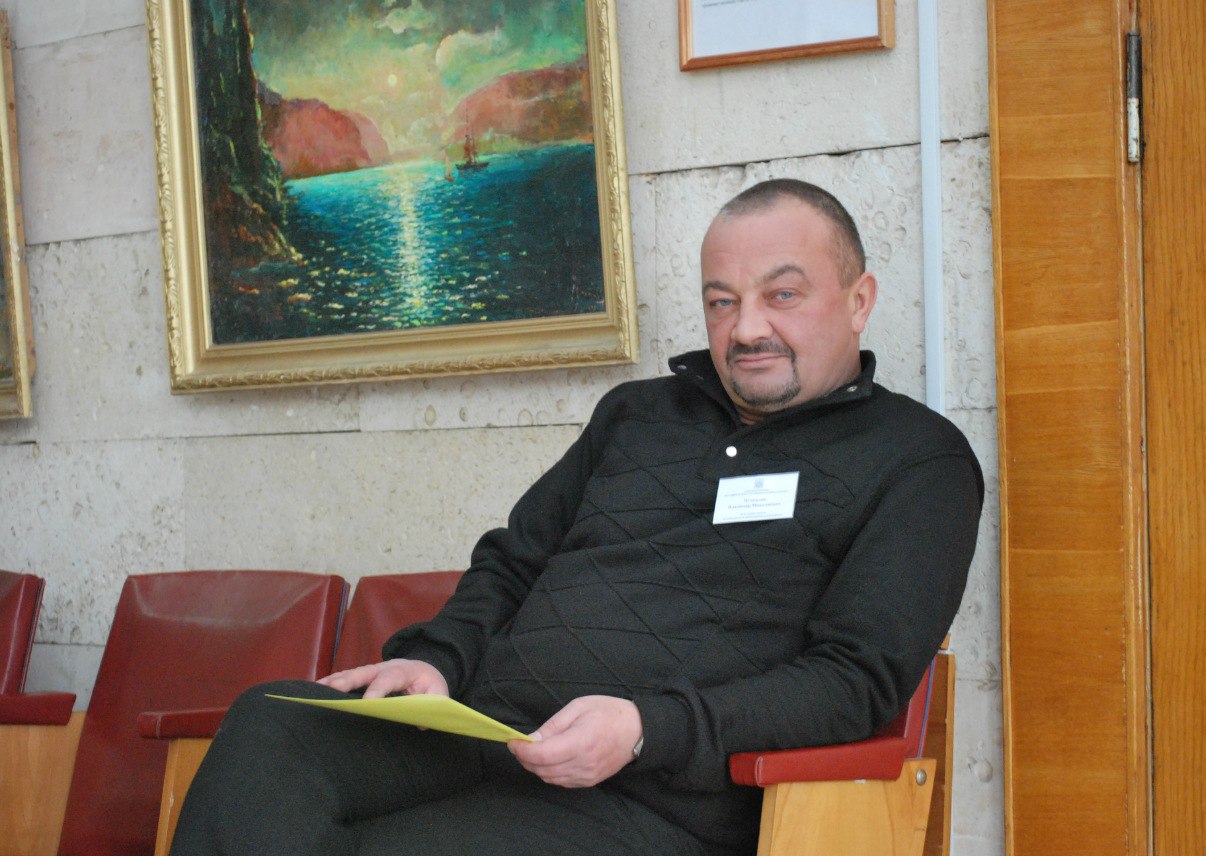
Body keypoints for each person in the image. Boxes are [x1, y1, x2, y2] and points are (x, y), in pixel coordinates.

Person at [171, 178, 983, 856]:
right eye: (721, 301)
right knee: (271, 726)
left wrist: (647, 729)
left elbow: (853, 682)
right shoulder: (638, 415)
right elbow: (513, 560)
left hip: (653, 795)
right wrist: (438, 660)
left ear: (859, 300)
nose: (747, 329)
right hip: (482, 731)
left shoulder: (917, 460)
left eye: (783, 295)